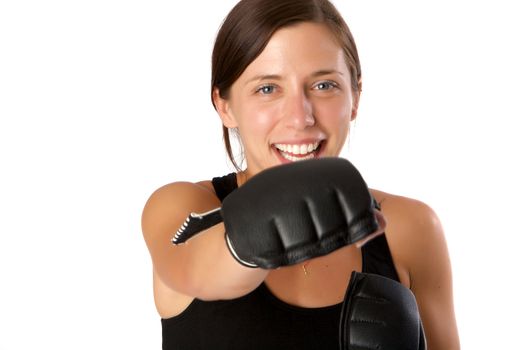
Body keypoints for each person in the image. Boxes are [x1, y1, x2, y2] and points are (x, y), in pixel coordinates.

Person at [141, 0, 460, 349]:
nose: (300, 117)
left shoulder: (410, 228)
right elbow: (200, 271)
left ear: (355, 97)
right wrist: (254, 237)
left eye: (324, 85)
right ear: (225, 106)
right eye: (267, 88)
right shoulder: (179, 206)